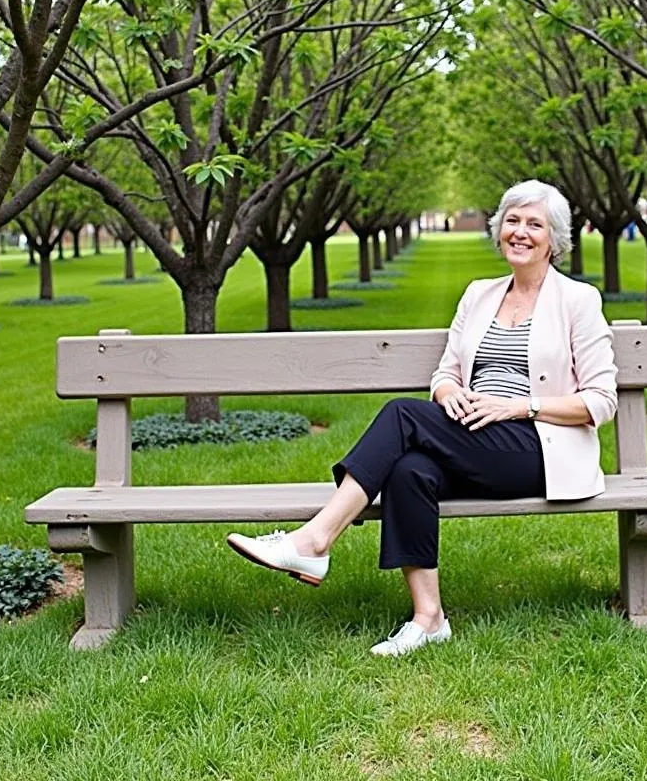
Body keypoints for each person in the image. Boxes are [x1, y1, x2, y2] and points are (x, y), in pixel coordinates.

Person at [226, 180, 619, 656]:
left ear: (553, 239)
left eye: (534, 224)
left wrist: (519, 406)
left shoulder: (577, 301)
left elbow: (601, 401)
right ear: (499, 230)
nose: (520, 232)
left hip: (538, 447)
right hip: (475, 438)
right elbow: (446, 371)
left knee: (401, 415)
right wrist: (449, 391)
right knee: (409, 470)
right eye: (512, 221)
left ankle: (315, 540)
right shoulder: (479, 295)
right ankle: (429, 618)